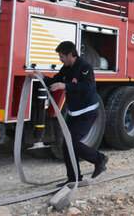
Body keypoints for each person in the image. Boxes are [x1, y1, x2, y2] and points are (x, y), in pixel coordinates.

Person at [35, 41, 108, 187]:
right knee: (66, 143)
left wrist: (66, 85)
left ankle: (99, 159)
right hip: (74, 112)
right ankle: (74, 178)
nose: (60, 59)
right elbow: (54, 81)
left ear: (70, 55)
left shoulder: (85, 67)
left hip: (88, 111)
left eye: (61, 56)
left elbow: (87, 86)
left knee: (73, 142)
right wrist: (40, 77)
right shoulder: (66, 69)